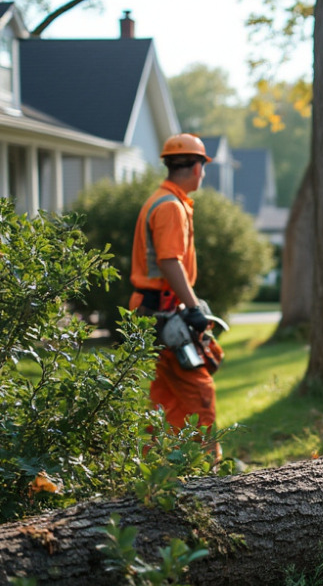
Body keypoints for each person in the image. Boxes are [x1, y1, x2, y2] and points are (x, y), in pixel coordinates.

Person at [129, 133, 219, 447]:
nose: (203, 174)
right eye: (203, 167)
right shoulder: (170, 207)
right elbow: (169, 262)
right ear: (196, 168)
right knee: (199, 390)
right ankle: (207, 465)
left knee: (164, 396)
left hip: (155, 309)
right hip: (163, 312)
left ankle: (159, 463)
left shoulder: (164, 200)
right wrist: (193, 308)